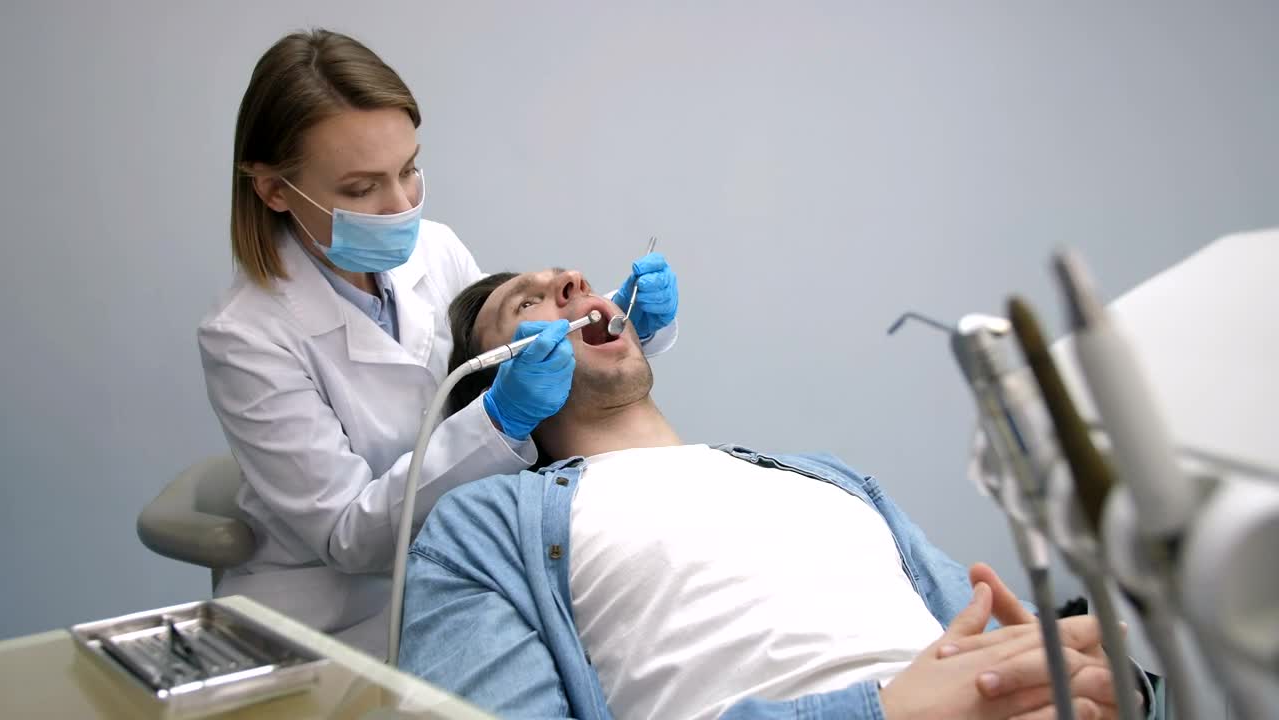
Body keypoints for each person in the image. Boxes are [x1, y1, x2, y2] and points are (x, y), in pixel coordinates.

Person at [397, 268, 1159, 720]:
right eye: (527, 304)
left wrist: (1102, 687)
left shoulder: (822, 478)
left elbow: (988, 656)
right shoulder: (484, 528)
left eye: (575, 277)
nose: (573, 283)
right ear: (500, 376)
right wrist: (881, 713)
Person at [197, 29, 680, 657]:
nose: (403, 206)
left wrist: (620, 332)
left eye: (409, 169)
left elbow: (492, 347)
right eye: (361, 188)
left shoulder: (436, 248)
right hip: (333, 624)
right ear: (275, 190)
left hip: (466, 577)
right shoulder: (246, 335)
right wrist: (497, 420)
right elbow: (349, 536)